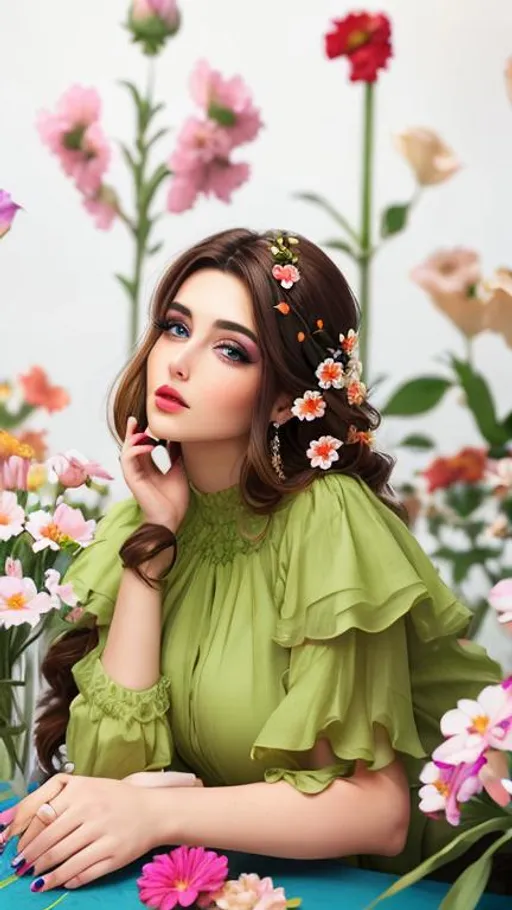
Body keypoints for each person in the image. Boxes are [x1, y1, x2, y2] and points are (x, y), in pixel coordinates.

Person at [3, 229, 507, 895]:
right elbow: (111, 768)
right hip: (263, 879)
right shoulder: (147, 514)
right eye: (175, 327)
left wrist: (158, 810)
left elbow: (376, 811)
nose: (177, 363)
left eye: (230, 349)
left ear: (283, 397)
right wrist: (151, 546)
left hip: (418, 883)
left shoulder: (327, 519)